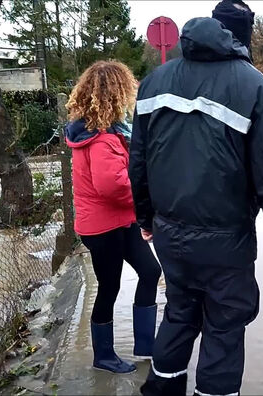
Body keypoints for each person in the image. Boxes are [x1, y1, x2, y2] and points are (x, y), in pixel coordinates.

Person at [130, 5, 263, 395]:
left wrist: (145, 219)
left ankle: (160, 390)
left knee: (178, 315)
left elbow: (137, 162)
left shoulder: (154, 82)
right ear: (244, 37)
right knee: (224, 329)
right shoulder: (257, 87)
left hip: (170, 235)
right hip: (226, 243)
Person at [65, 60, 161, 374]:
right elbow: (113, 186)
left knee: (149, 271)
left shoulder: (111, 133)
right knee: (109, 286)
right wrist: (149, 194)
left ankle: (147, 345)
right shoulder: (102, 139)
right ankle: (103, 356)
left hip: (121, 220)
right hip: (102, 227)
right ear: (117, 94)